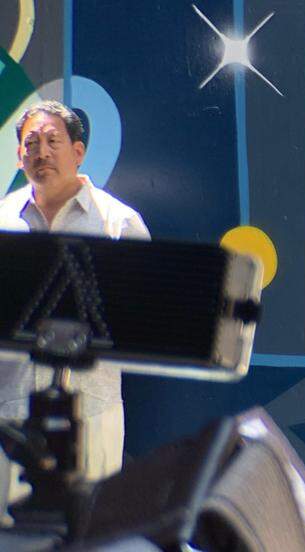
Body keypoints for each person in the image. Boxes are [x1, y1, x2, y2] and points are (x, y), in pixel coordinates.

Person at [0, 100, 149, 502]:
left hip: (92, 416)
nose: (41, 152)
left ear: (78, 152)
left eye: (53, 141)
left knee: (87, 535)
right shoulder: (2, 223)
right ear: (18, 156)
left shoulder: (118, 224)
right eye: (31, 144)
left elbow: (141, 322)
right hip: (8, 417)